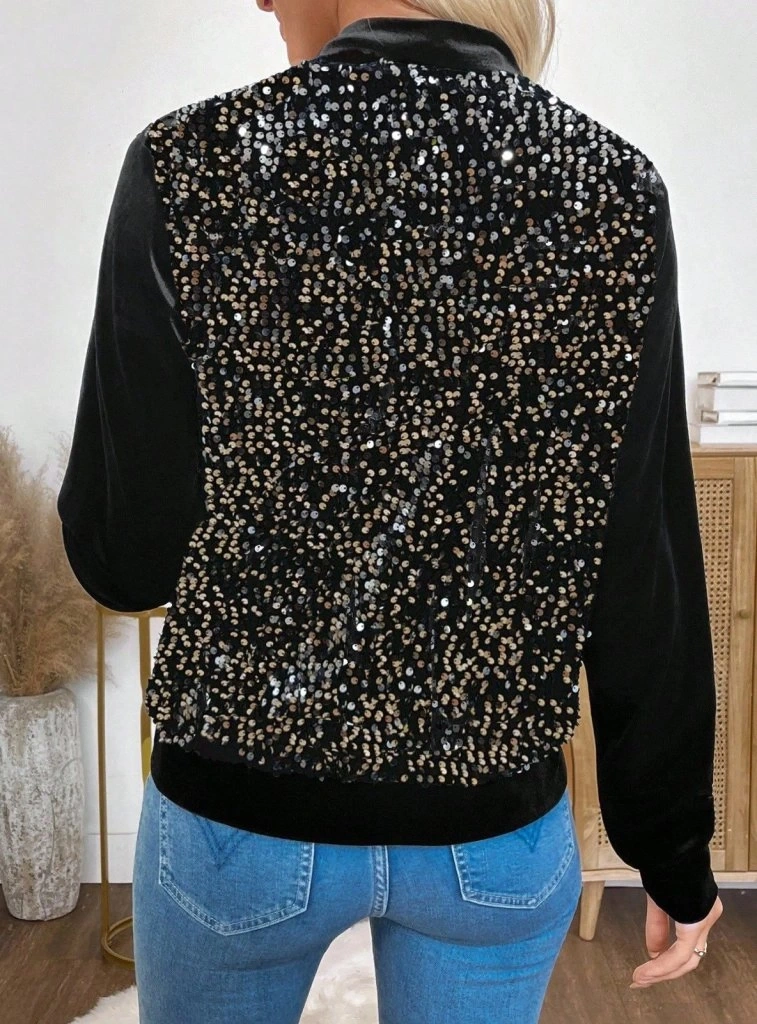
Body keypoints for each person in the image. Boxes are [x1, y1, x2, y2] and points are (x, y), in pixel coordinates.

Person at [57, 1, 724, 1021]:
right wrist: (670, 846)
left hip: (239, 817)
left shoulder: (189, 162)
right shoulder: (609, 188)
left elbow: (125, 559)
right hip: (488, 824)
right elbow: (642, 564)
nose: (262, 2)